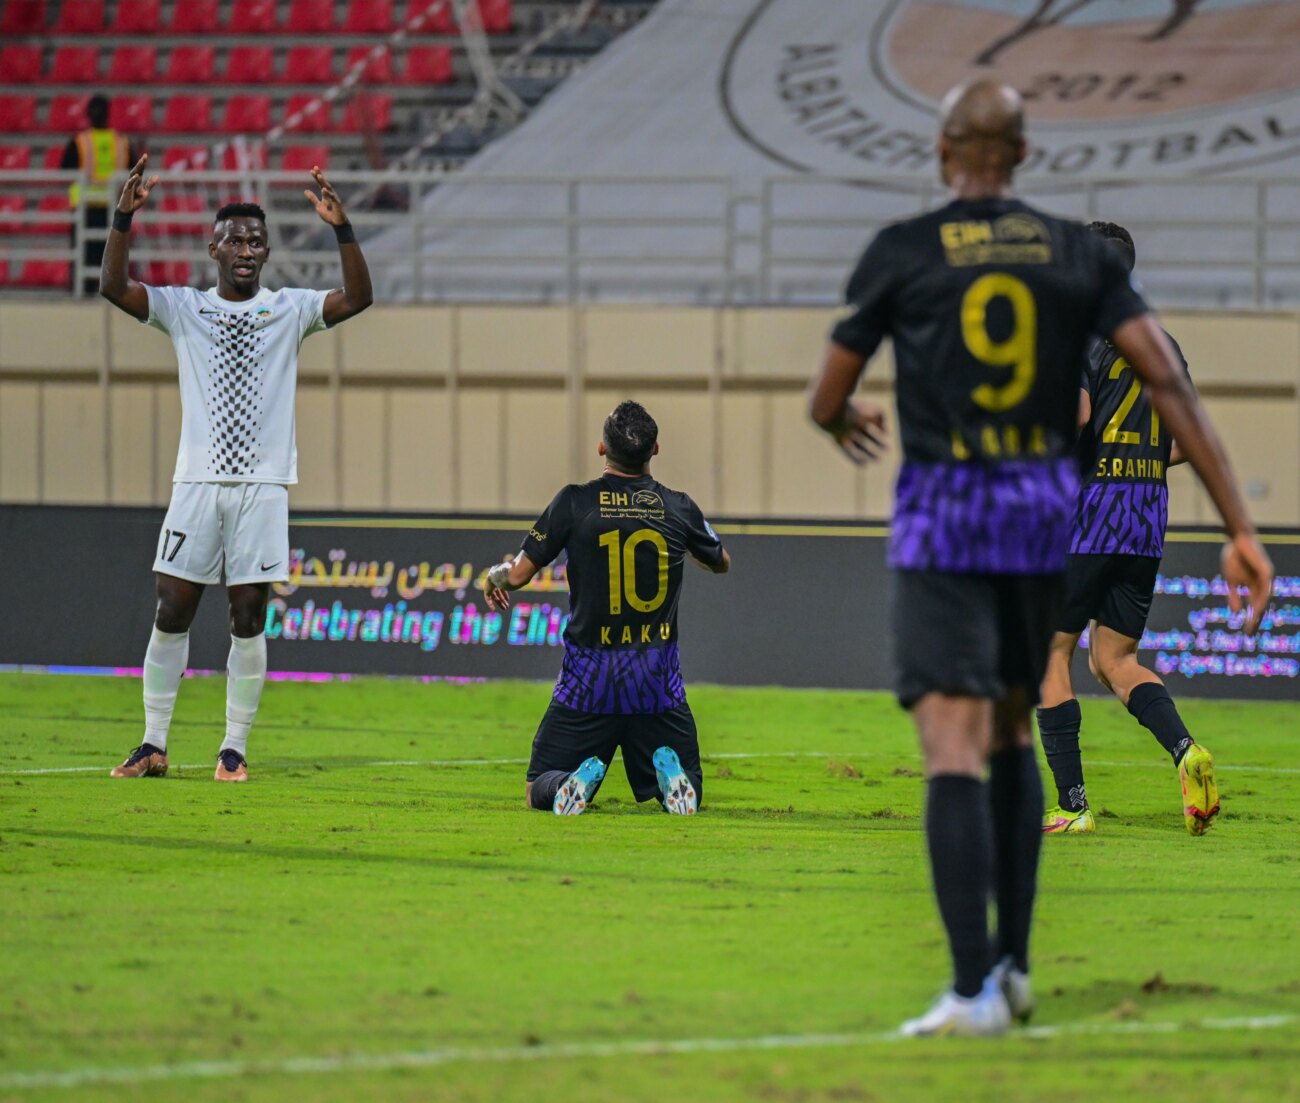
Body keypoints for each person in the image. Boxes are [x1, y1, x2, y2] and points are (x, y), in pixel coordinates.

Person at [808, 81, 1272, 1037]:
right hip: (1045, 518)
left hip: (950, 515)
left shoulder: (904, 249)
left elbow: (827, 393)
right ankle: (1015, 969)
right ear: (1022, 156)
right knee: (1018, 724)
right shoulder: (1072, 255)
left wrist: (842, 419)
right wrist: (1241, 526)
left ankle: (972, 985)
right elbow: (1176, 395)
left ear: (943, 150)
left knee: (951, 739)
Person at [100, 155, 373, 782]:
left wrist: (343, 228)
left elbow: (359, 297)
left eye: (256, 240)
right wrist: (123, 217)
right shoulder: (183, 308)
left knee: (247, 615)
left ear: (267, 250)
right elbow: (114, 288)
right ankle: (153, 743)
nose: (246, 248)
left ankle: (233, 749)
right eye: (235, 239)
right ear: (213, 247)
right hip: (196, 484)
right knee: (172, 609)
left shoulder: (290, 309)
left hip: (262, 489)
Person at [1039, 222, 1214, 837]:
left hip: (1089, 517)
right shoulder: (1160, 343)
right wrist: (1138, 463)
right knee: (1114, 657)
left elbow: (1077, 416)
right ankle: (1186, 751)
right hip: (1145, 517)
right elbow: (1192, 439)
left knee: (1049, 653)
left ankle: (1073, 805)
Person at [483, 401, 731, 816]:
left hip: (588, 681)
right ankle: (672, 784)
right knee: (694, 785)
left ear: (602, 449)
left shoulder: (574, 503)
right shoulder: (678, 507)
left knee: (536, 788)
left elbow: (519, 575)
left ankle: (568, 782)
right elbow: (721, 561)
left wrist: (494, 576)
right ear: (655, 450)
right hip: (656, 683)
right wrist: (684, 544)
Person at [62, 94, 134, 295]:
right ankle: (112, 296)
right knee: (111, 260)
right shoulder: (121, 142)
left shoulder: (80, 142)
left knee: (84, 257)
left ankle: (82, 294)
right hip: (114, 210)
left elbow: (64, 171)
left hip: (86, 209)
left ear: (87, 115)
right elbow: (135, 170)